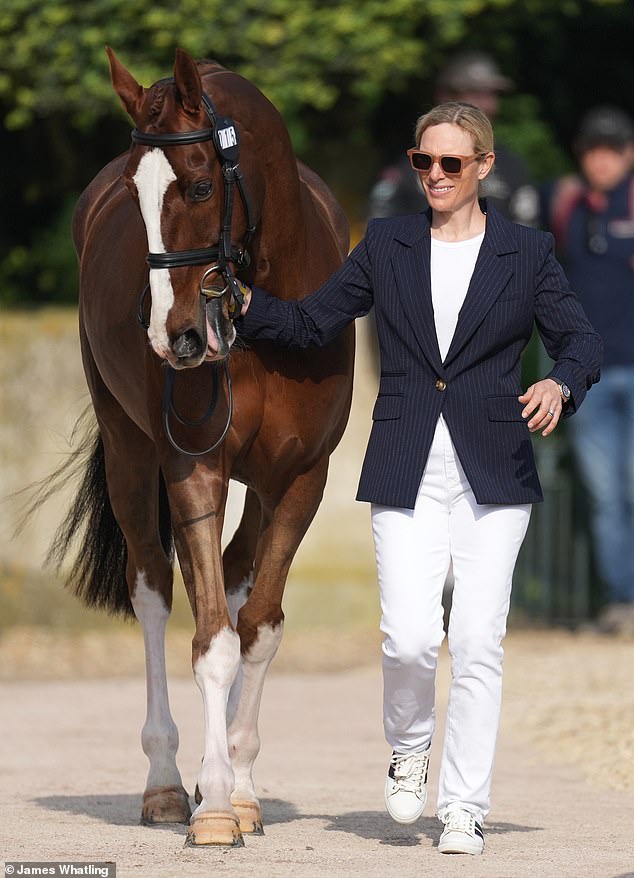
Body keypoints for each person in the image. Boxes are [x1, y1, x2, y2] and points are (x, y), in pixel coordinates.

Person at [235, 102, 602, 855]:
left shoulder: (527, 253)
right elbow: (312, 323)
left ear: (484, 168)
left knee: (476, 640)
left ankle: (464, 805)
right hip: (405, 463)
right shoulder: (388, 245)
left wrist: (560, 385)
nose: (434, 175)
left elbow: (582, 340)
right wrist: (240, 304)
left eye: (451, 164)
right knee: (408, 638)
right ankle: (410, 747)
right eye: (422, 162)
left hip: (494, 470)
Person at [541, 106, 634, 634]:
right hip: (588, 379)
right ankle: (621, 602)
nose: (601, 160)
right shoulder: (566, 202)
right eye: (593, 151)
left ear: (628, 155)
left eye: (611, 150)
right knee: (606, 498)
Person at [368, 51, 539, 227]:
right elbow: (380, 235)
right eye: (476, 94)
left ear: (487, 164)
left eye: (491, 95)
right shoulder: (407, 168)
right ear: (444, 96)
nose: (487, 105)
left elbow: (527, 237)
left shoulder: (512, 168)